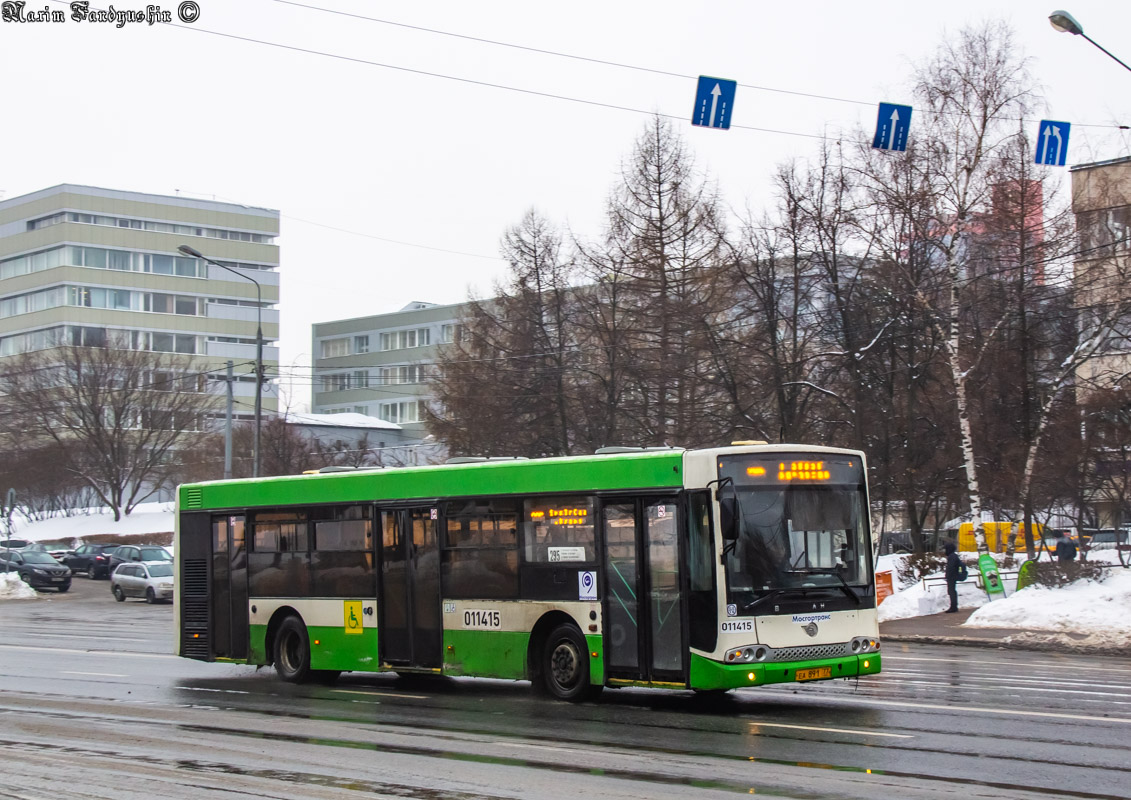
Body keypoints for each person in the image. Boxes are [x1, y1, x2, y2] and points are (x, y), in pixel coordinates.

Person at [943, 541, 961, 613]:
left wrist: (948, 576)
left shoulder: (952, 557)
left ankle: (953, 607)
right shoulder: (953, 556)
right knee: (952, 591)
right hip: (953, 576)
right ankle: (953, 606)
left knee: (951, 591)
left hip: (952, 576)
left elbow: (950, 567)